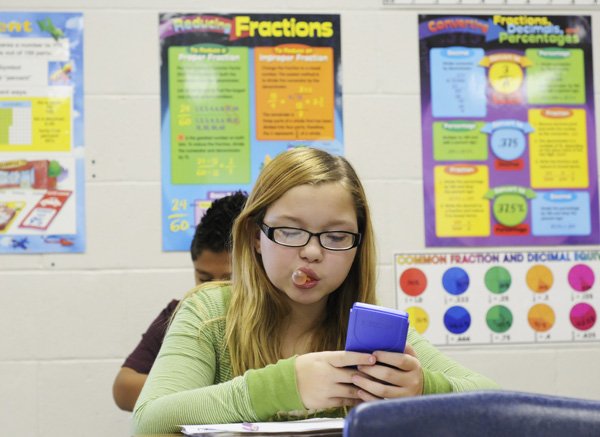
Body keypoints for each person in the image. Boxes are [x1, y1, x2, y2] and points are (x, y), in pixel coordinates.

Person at [132, 147, 498, 434]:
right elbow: (149, 421)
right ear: (255, 237)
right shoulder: (209, 312)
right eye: (290, 231)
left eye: (337, 236)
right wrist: (279, 387)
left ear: (358, 246)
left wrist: (423, 390)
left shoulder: (370, 331)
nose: (312, 252)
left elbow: (494, 404)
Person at [112, 191, 247, 412]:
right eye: (203, 278)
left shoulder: (276, 315)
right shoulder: (182, 312)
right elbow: (124, 387)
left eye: (228, 279)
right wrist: (205, 394)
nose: (211, 289)